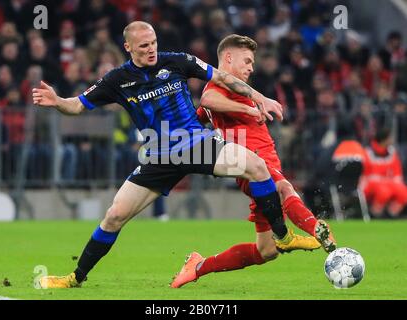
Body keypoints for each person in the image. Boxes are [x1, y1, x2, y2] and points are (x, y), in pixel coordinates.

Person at [32, 21, 317, 289]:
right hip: (159, 155)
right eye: (143, 46)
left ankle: (283, 235)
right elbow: (78, 106)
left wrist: (260, 97)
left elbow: (222, 78)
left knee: (256, 166)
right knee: (114, 216)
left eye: (154, 42)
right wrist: (58, 101)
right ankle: (75, 277)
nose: (151, 49)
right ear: (128, 47)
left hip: (196, 142)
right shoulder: (116, 80)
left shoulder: (178, 60)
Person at [170, 35, 337, 288]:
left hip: (263, 164)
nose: (251, 67)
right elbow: (207, 100)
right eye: (247, 61)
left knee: (266, 251)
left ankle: (199, 265)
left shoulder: (235, 90)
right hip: (252, 164)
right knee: (284, 188)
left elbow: (201, 114)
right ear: (228, 58)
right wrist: (249, 109)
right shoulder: (220, 86)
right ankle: (321, 233)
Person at [360, 127, 407, 217]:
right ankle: (375, 214)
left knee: (404, 192)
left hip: (389, 182)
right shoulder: (368, 153)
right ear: (383, 139)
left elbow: (397, 173)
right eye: (389, 138)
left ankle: (392, 214)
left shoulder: (392, 152)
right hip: (371, 183)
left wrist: (394, 181)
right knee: (384, 192)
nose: (391, 140)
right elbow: (365, 174)